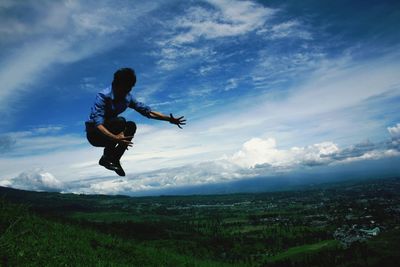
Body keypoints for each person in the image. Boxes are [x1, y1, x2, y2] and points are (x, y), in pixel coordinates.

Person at [85, 67, 186, 176]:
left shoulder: (128, 98)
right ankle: (107, 157)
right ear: (116, 85)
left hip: (112, 130)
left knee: (131, 126)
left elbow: (148, 112)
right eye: (124, 89)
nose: (126, 93)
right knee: (120, 121)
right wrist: (115, 138)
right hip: (95, 135)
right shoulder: (103, 96)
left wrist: (169, 119)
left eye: (129, 89)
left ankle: (114, 159)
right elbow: (98, 124)